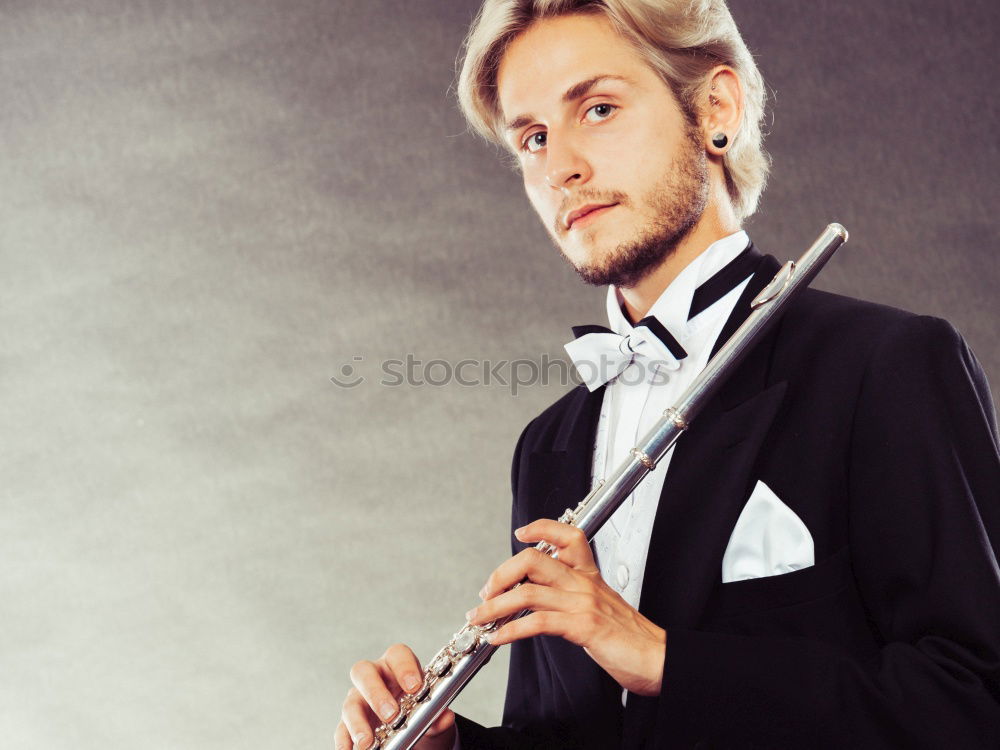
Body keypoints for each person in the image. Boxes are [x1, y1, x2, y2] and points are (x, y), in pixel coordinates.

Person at [336, 1, 1000, 748]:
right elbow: (572, 735)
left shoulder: (884, 367)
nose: (562, 168)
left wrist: (658, 657)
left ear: (716, 107)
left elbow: (972, 702)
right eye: (533, 138)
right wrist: (450, 746)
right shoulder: (548, 445)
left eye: (599, 107)